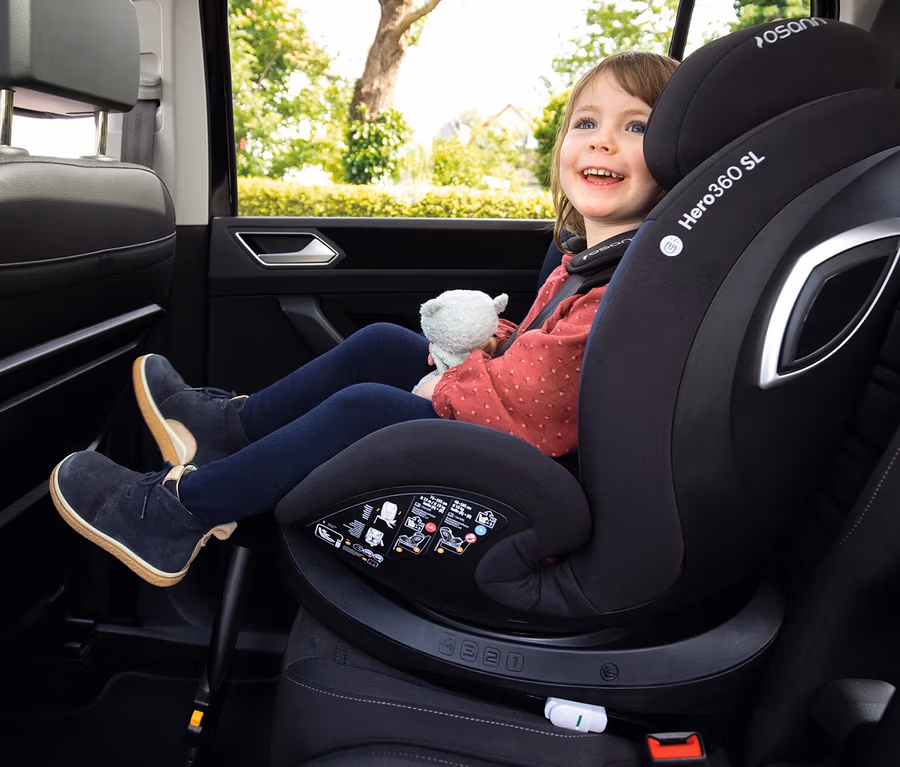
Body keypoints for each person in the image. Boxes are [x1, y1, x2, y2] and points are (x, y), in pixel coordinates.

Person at [49, 50, 679, 587]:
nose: (602, 140)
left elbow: (538, 406)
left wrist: (447, 383)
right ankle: (227, 431)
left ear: (680, 154)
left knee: (368, 408)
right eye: (587, 122)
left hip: (528, 492)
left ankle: (176, 515)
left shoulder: (627, 288)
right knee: (383, 344)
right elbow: (549, 358)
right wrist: (496, 342)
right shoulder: (589, 262)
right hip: (520, 441)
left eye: (636, 127)